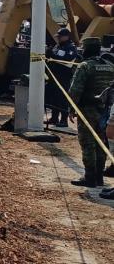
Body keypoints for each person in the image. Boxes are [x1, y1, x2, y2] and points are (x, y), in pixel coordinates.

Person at [67, 37, 114, 187]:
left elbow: (75, 90)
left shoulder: (85, 66)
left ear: (86, 49)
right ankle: (99, 176)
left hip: (87, 110)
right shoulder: (110, 66)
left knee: (88, 143)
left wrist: (71, 108)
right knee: (101, 144)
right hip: (105, 111)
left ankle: (89, 177)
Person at [44, 28, 78, 127]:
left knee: (62, 99)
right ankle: (54, 118)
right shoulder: (57, 46)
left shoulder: (70, 47)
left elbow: (68, 59)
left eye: (60, 37)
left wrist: (53, 56)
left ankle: (63, 120)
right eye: (57, 37)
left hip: (64, 76)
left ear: (66, 36)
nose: (58, 38)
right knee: (54, 97)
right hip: (54, 75)